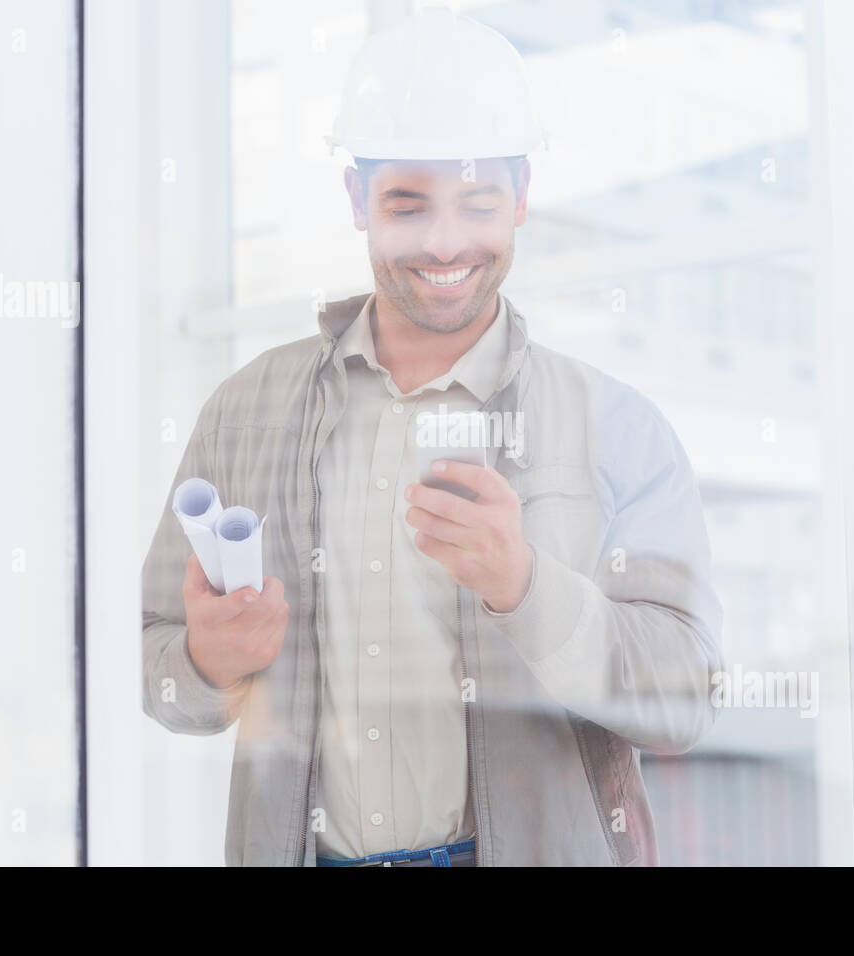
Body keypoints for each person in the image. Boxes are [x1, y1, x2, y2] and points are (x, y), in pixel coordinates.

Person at [141, 6, 724, 867]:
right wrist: (205, 658)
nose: (444, 243)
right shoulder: (247, 410)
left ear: (521, 196)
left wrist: (523, 587)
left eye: (477, 203)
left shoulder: (615, 428)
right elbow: (157, 675)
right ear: (357, 201)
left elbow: (687, 700)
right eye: (408, 206)